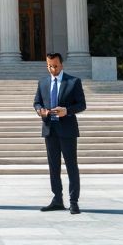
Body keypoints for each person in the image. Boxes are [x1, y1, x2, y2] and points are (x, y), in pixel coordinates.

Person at [35, 52, 86, 214]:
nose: (52, 69)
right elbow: (37, 102)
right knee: (53, 167)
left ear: (61, 64)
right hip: (50, 130)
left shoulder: (73, 82)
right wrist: (40, 110)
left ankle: (73, 201)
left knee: (71, 166)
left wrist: (67, 111)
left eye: (55, 66)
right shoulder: (43, 82)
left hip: (67, 130)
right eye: (49, 65)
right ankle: (57, 199)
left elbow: (82, 104)